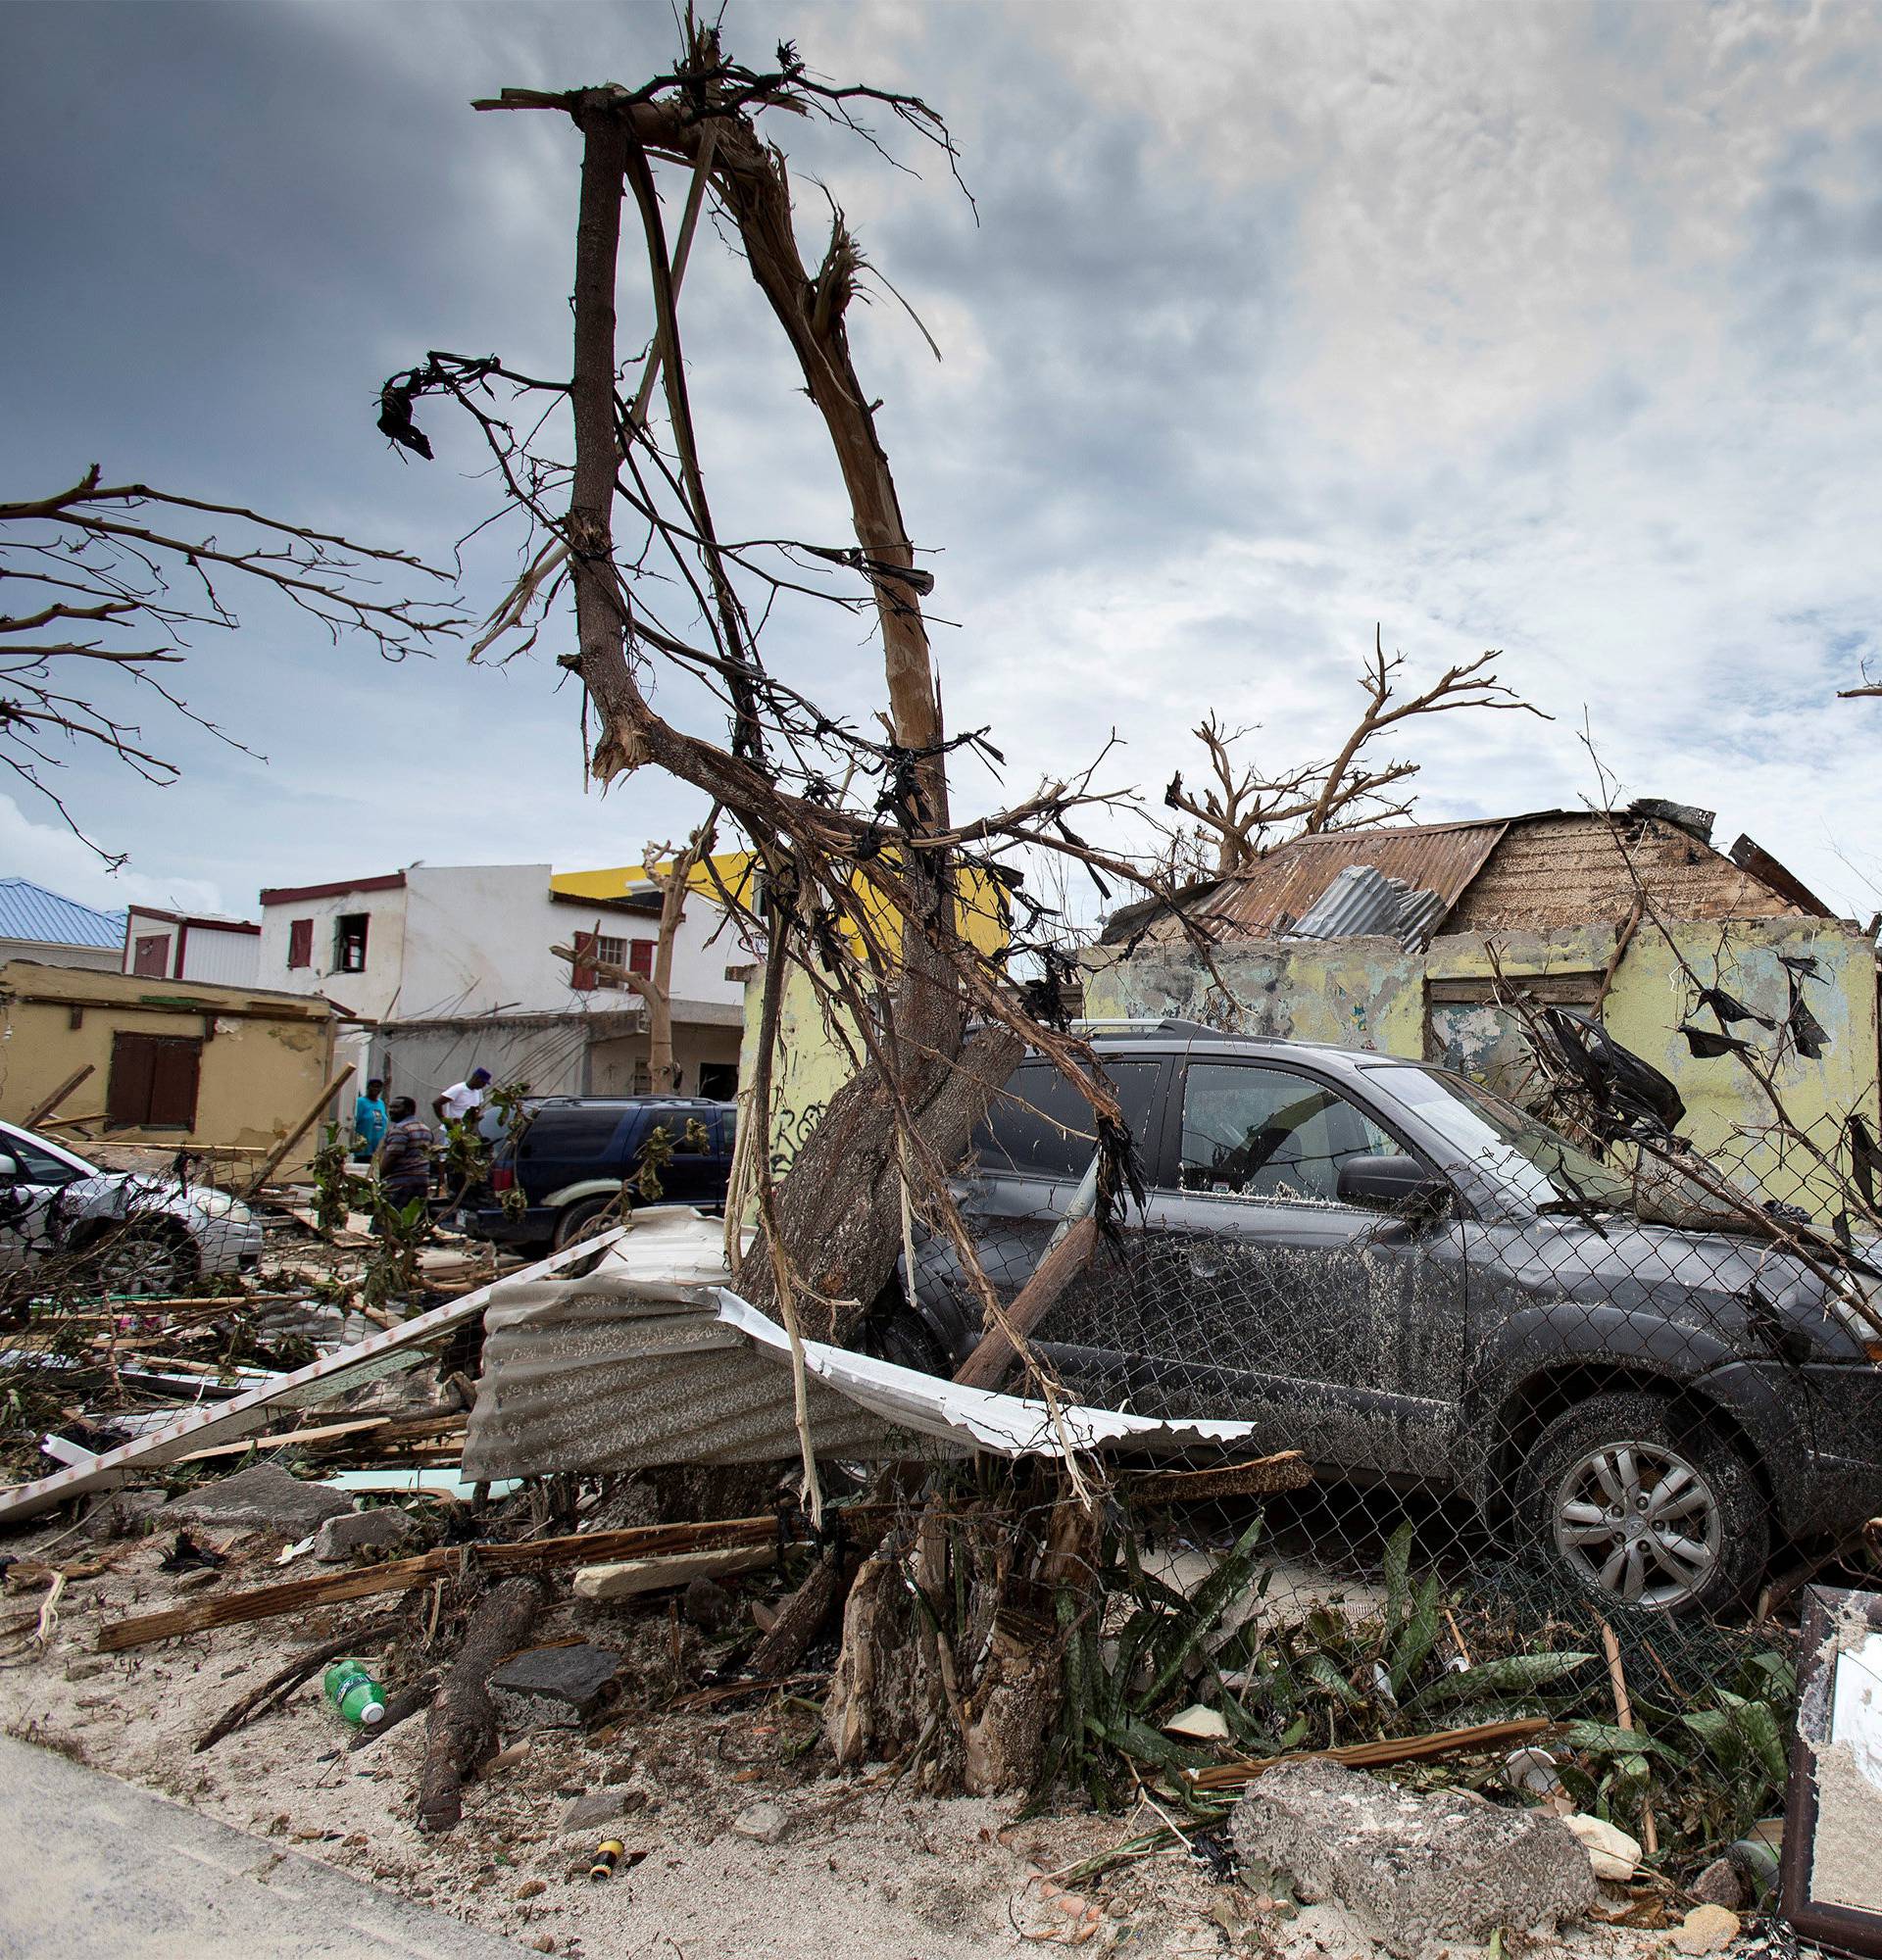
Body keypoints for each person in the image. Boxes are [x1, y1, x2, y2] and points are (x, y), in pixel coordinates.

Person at [376, 1097, 434, 1214]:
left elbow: (392, 1156)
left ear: (408, 1110)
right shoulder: (426, 1129)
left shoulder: (400, 1129)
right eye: (390, 1107)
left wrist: (377, 1178)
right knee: (411, 1224)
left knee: (386, 1221)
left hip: (400, 1182)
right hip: (422, 1181)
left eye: (396, 1107)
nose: (391, 1110)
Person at [351, 1078, 388, 1163]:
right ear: (368, 1087)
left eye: (378, 1087)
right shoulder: (360, 1102)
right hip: (364, 1148)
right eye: (373, 1086)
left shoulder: (380, 1103)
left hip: (377, 1146)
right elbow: (354, 1121)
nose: (375, 1089)